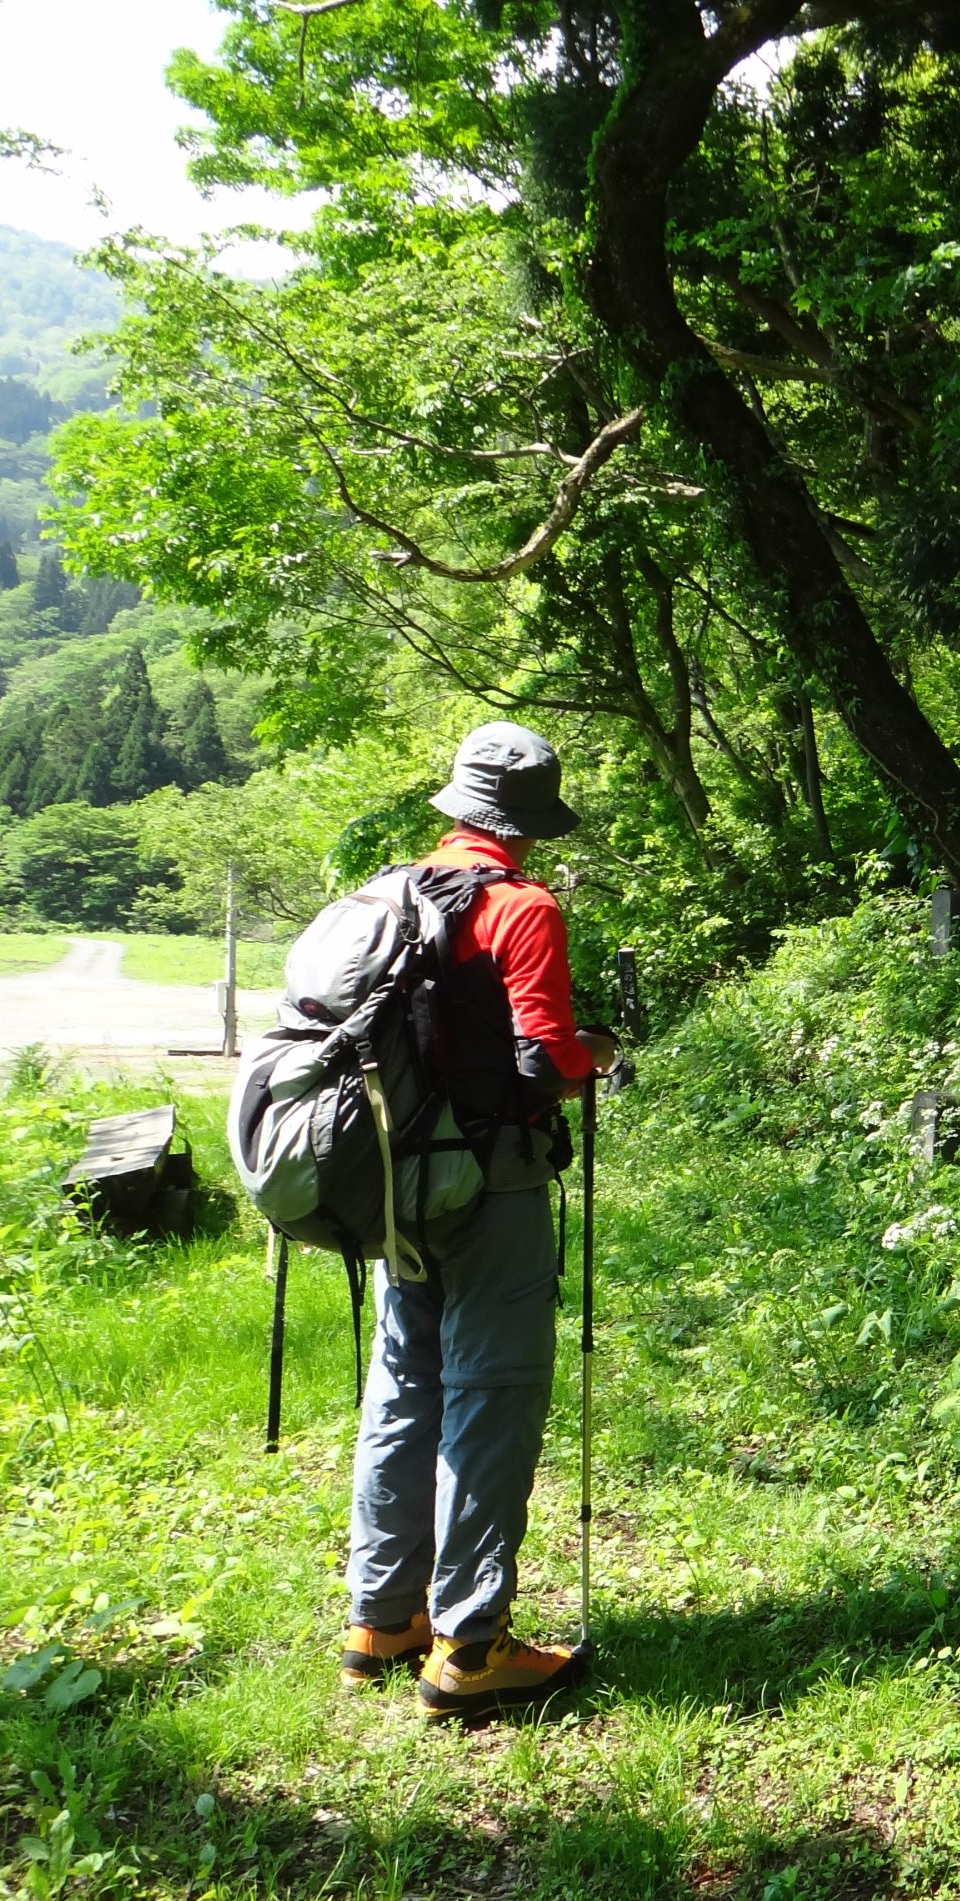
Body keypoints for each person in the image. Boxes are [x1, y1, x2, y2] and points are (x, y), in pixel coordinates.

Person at [335, 722, 617, 1718]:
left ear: (455, 812)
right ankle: (471, 1647)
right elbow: (544, 1063)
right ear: (524, 828)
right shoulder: (520, 906)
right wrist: (601, 1052)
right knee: (489, 1396)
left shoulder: (387, 892)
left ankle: (383, 1619)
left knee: (404, 1384)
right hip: (489, 1187)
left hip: (391, 1185)